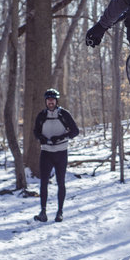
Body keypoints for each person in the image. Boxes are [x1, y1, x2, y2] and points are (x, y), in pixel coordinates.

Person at [32, 88, 79, 223]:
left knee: (61, 182)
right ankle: (43, 212)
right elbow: (36, 131)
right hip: (46, 153)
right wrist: (41, 138)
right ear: (46, 101)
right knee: (43, 182)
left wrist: (60, 137)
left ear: (56, 101)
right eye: (48, 100)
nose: (50, 102)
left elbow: (75, 131)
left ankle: (60, 212)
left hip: (61, 153)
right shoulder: (41, 115)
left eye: (53, 100)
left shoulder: (64, 114)